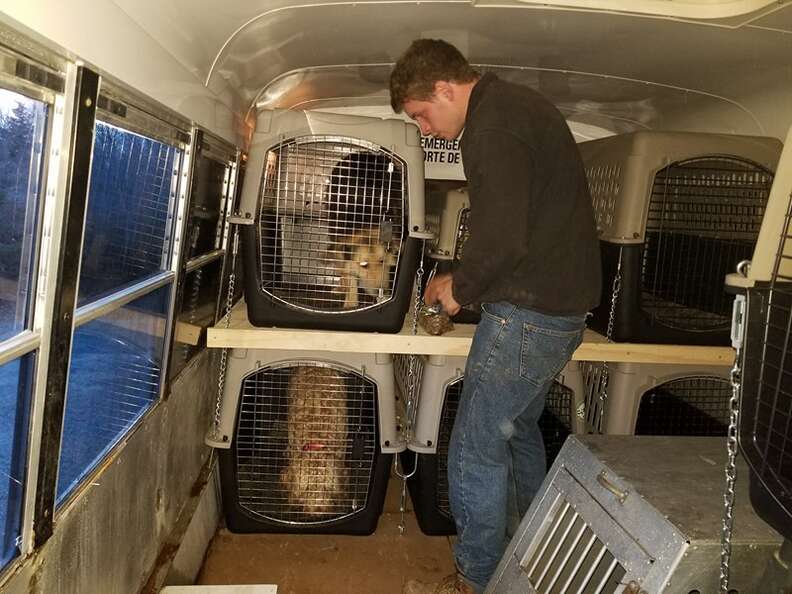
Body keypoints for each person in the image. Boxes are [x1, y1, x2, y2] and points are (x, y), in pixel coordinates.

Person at [389, 39, 602, 594]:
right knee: (515, 432)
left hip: (528, 316)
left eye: (422, 115)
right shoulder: (519, 108)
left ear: (444, 88)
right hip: (558, 309)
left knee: (475, 448)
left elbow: (503, 236)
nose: (427, 129)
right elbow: (518, 229)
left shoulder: (493, 126)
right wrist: (464, 276)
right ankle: (531, 561)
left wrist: (460, 287)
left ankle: (479, 577)